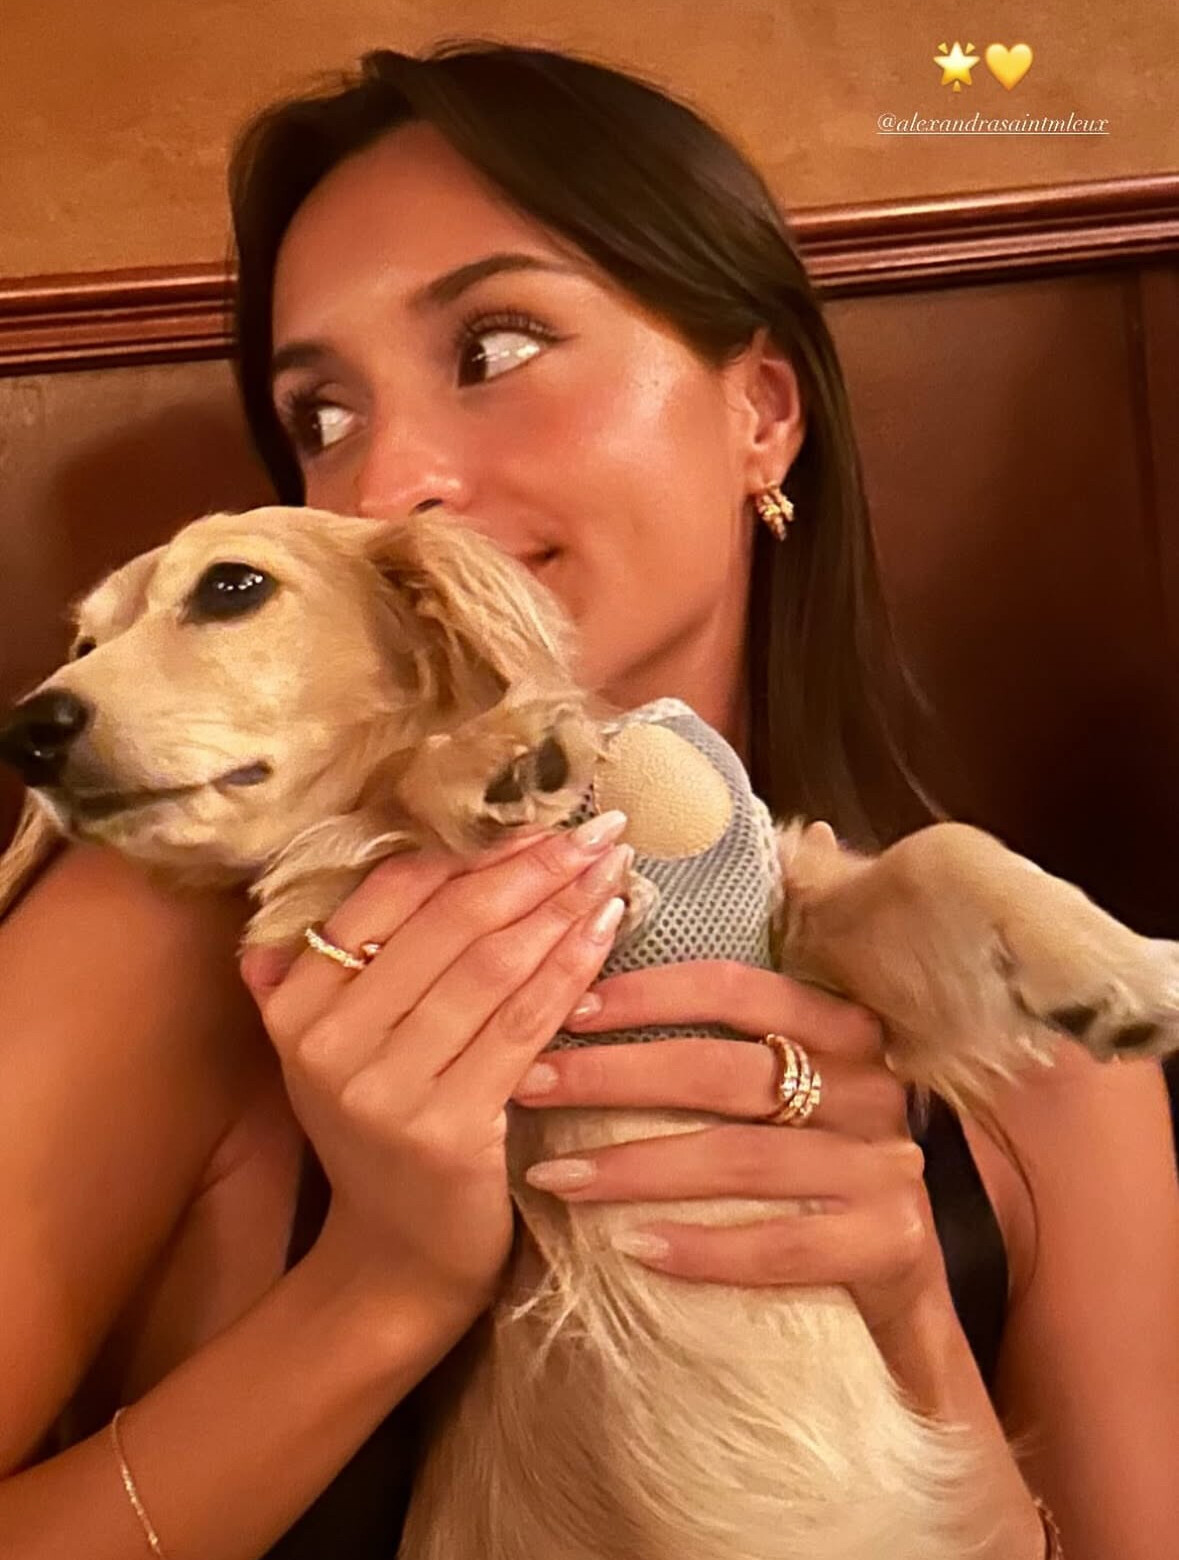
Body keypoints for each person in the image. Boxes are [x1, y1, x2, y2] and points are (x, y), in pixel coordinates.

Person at [0, 42, 1175, 1560]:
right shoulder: (168, 934)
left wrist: (910, 1320)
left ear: (761, 413)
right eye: (324, 418)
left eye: (494, 346)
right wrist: (382, 1286)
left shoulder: (1053, 1032)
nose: (387, 484)